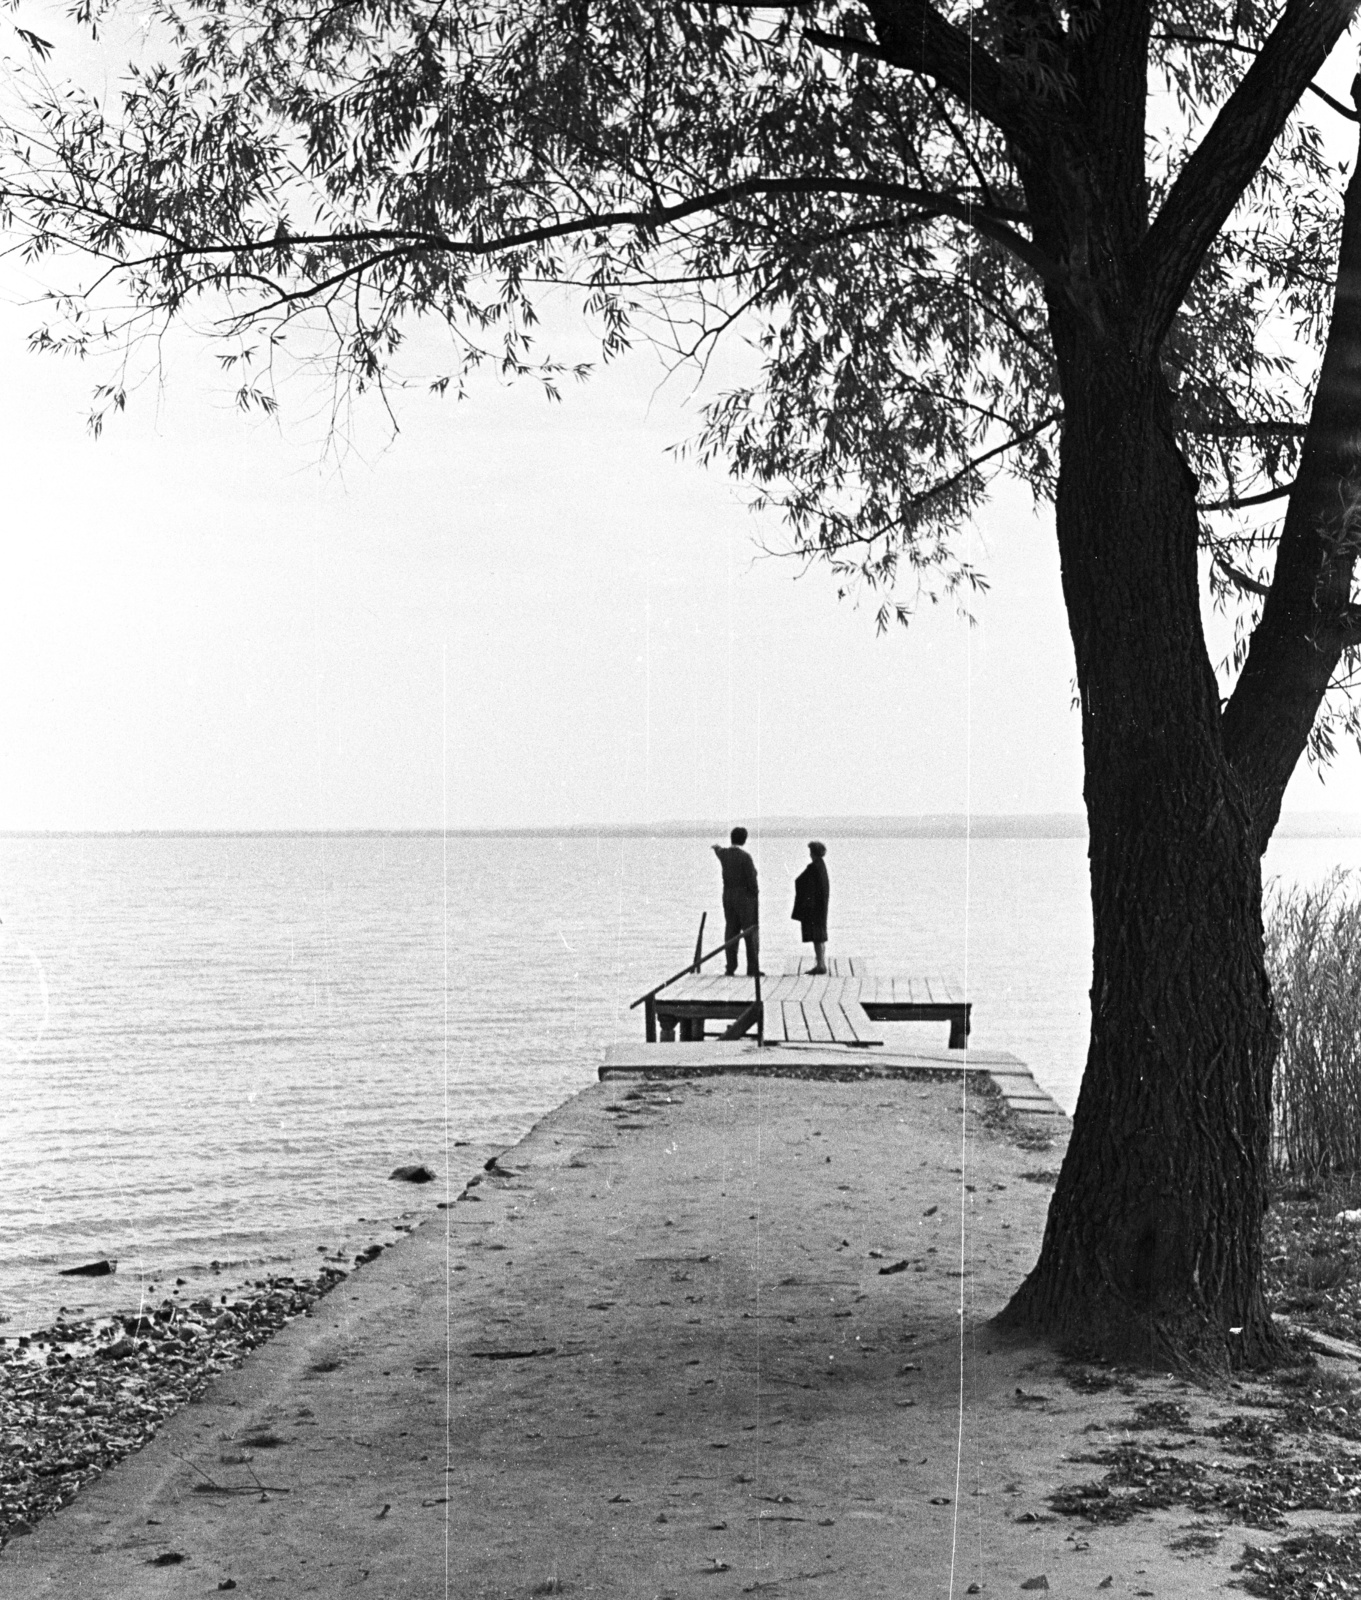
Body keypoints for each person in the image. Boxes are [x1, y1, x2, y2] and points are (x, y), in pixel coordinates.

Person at [712, 826, 760, 977]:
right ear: (744, 840)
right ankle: (752, 968)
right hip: (745, 899)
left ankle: (730, 967)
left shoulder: (724, 854)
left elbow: (718, 851)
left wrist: (716, 847)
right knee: (750, 933)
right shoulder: (745, 857)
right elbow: (752, 880)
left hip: (728, 897)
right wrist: (755, 894)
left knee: (731, 931)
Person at [791, 840, 830, 974]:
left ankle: (820, 965)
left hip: (815, 908)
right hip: (821, 906)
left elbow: (800, 881)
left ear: (813, 853)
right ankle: (821, 963)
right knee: (820, 937)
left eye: (810, 852)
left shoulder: (814, 868)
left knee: (817, 937)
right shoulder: (821, 866)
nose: (809, 855)